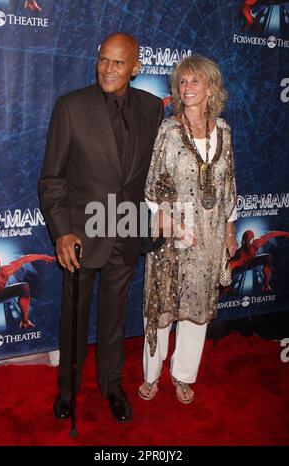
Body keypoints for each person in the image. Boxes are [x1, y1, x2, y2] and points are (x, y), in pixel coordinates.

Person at [39, 33, 163, 422]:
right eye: (103, 60)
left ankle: (112, 386)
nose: (108, 69)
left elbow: (150, 174)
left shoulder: (152, 107)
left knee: (114, 319)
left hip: (125, 230)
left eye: (118, 63)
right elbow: (52, 179)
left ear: (136, 67)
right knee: (73, 317)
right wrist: (61, 231)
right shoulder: (71, 107)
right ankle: (67, 390)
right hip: (80, 234)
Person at [139, 55, 237, 404]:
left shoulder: (224, 130)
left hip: (210, 238)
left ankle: (183, 375)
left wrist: (229, 230)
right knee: (162, 307)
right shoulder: (168, 130)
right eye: (182, 82)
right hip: (171, 234)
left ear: (211, 87)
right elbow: (153, 184)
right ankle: (151, 375)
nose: (187, 88)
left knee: (196, 313)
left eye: (195, 81)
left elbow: (228, 188)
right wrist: (169, 220)